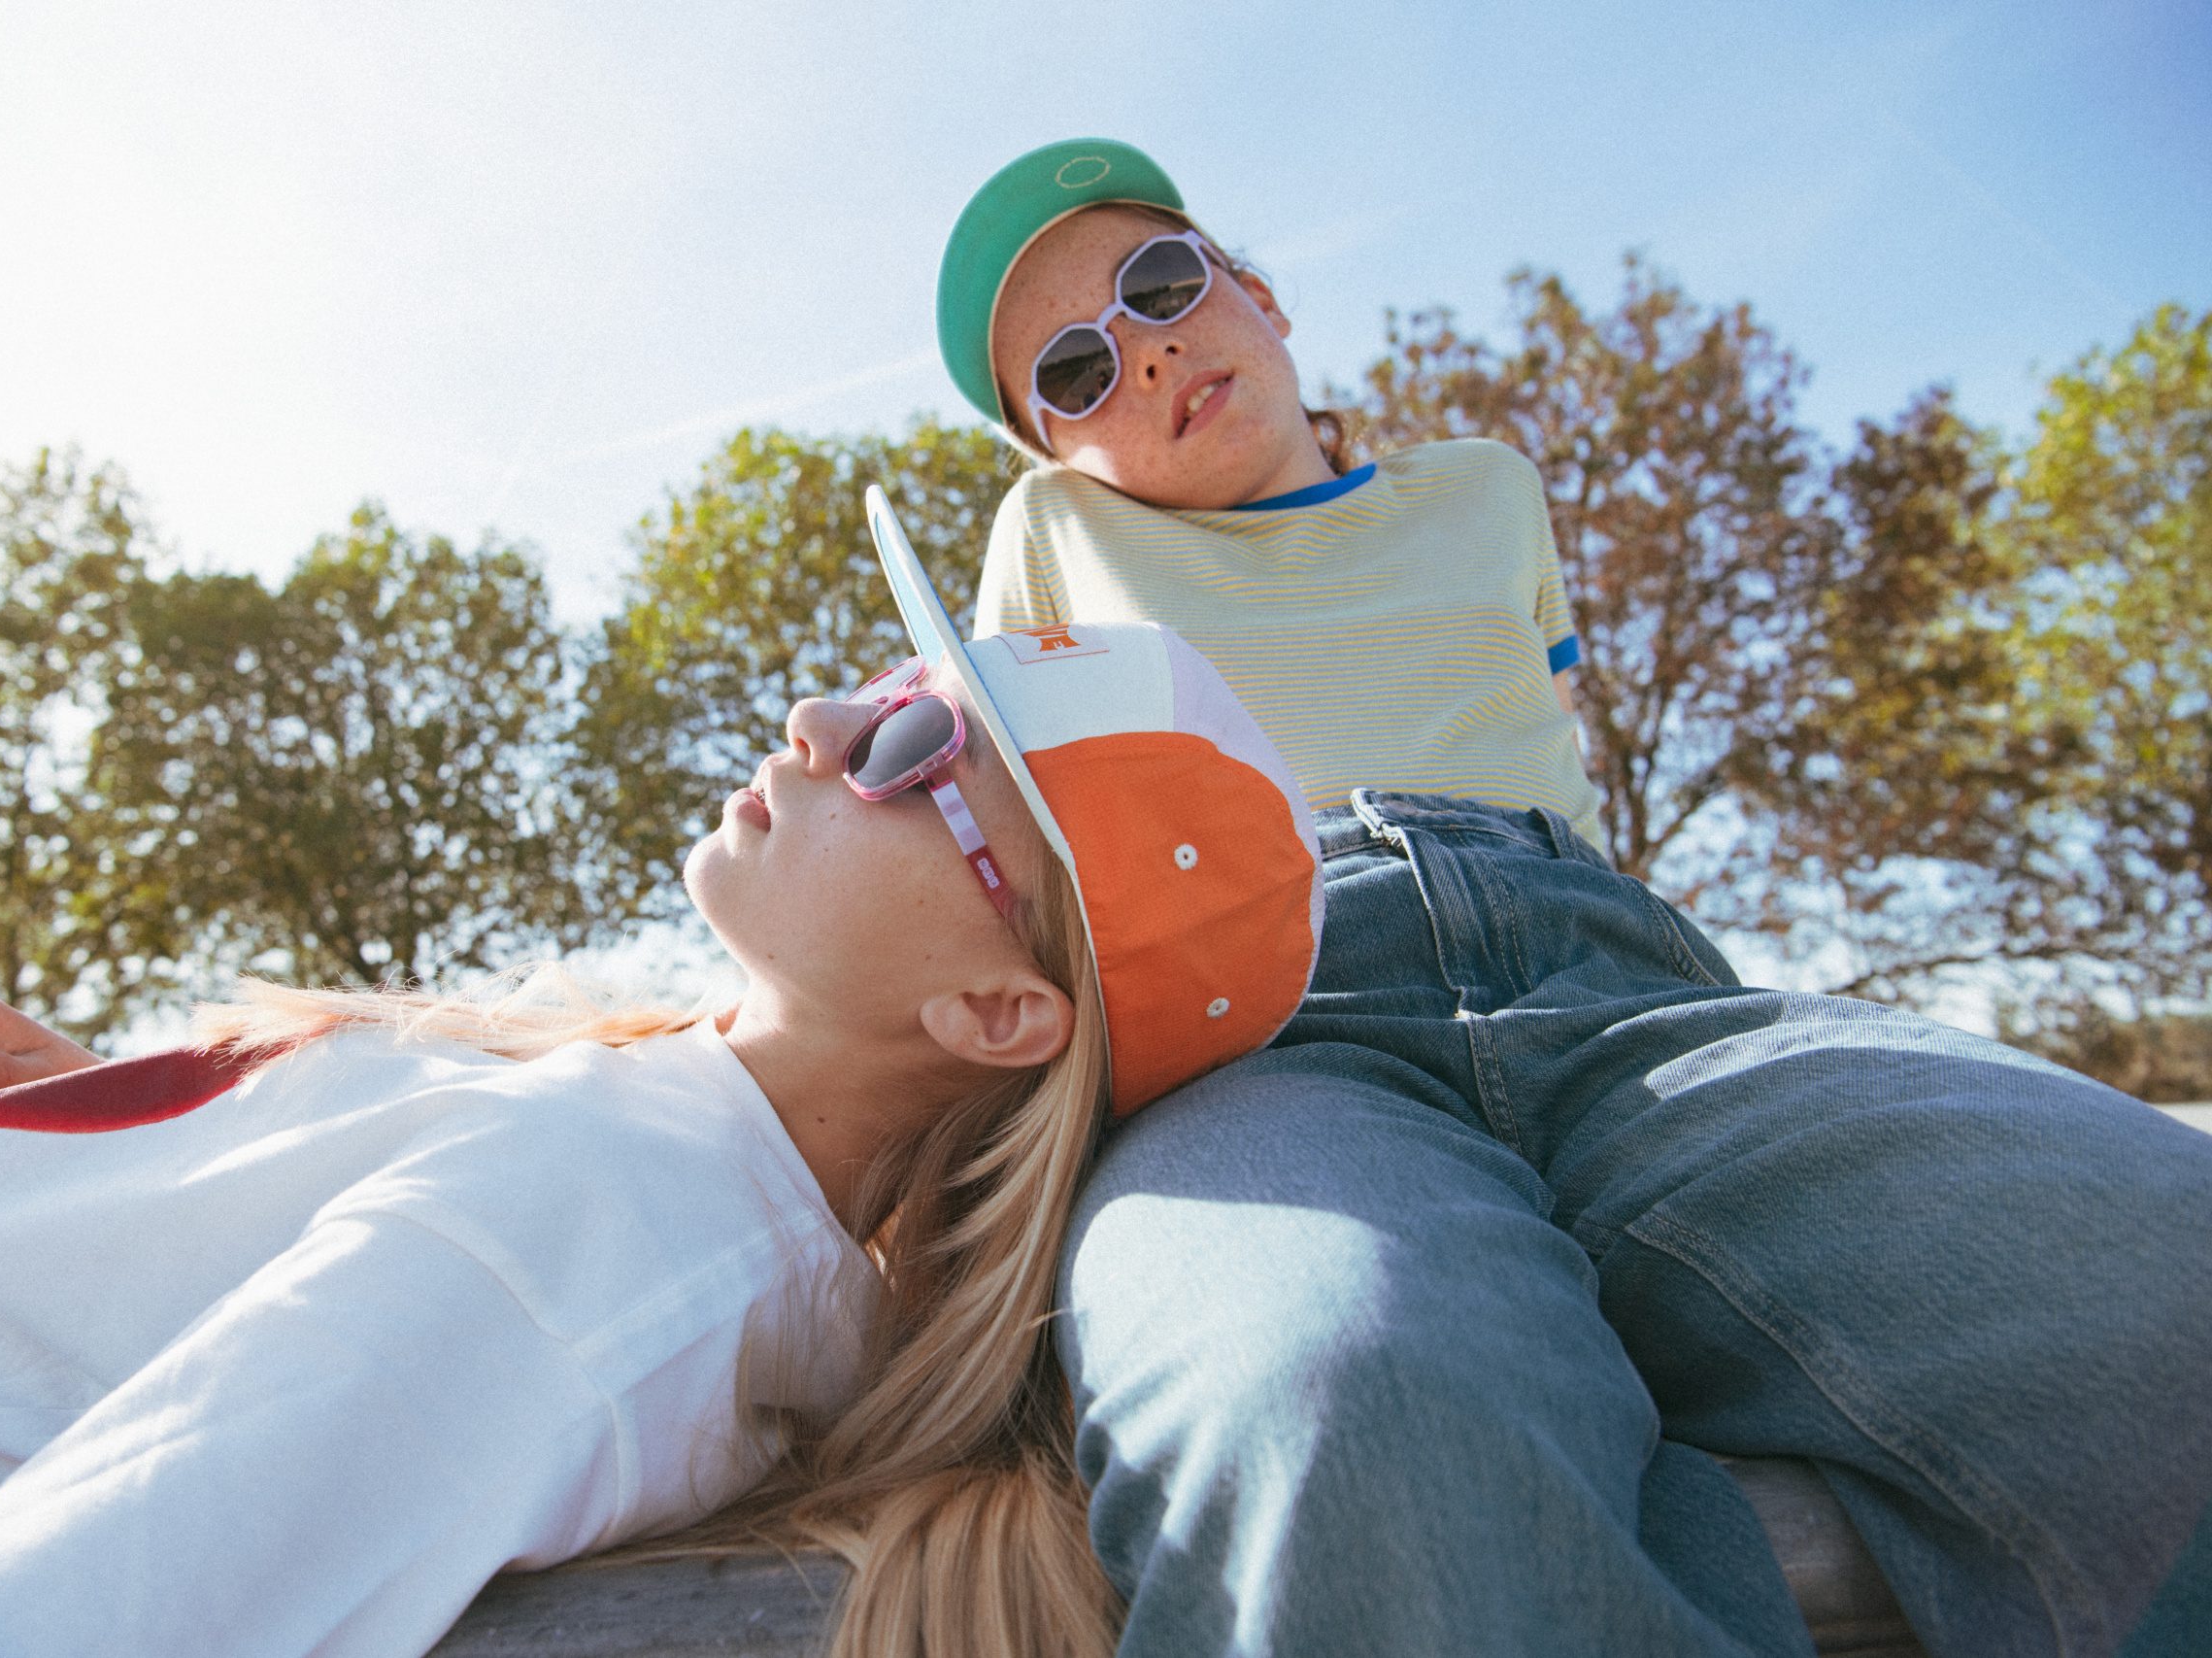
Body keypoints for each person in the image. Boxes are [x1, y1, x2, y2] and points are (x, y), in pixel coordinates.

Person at [931, 137, 2212, 1657]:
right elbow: (1021, 824)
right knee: (1332, 1405)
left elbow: (1533, 729)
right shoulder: (1055, 539)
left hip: (1616, 982)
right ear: (1053, 457)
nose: (1140, 351)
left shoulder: (1485, 491)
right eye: (1072, 374)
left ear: (1258, 292)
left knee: (2155, 1272)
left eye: (1159, 284)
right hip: (1271, 1017)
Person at [0, 568, 1325, 1658]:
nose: (822, 725)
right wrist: (130, 1158)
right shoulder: (666, 1154)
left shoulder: (618, 1234)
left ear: (996, 1013)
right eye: (885, 682)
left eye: (915, 748)